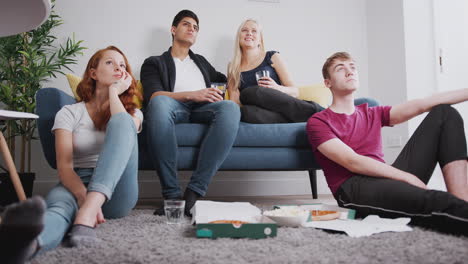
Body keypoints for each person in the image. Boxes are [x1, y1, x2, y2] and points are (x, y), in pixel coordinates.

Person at [307, 51, 468, 235]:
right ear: (328, 83)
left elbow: (424, 103)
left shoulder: (372, 113)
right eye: (340, 69)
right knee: (433, 200)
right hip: (353, 187)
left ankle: (462, 200)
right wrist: (407, 177)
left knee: (445, 113)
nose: (349, 71)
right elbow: (352, 162)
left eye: (352, 67)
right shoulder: (318, 122)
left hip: (384, 178)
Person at [31, 46, 142, 256]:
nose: (118, 68)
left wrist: (113, 92)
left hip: (118, 190)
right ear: (93, 73)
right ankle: (30, 242)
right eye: (110, 62)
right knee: (58, 209)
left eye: (122, 65)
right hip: (76, 182)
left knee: (123, 123)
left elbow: (122, 124)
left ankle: (87, 214)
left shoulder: (133, 113)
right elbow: (64, 168)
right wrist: (84, 198)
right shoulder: (69, 113)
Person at [140, 10, 240, 216]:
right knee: (158, 103)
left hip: (204, 108)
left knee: (229, 108)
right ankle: (172, 195)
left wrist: (245, 62)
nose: (191, 29)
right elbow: (154, 95)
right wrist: (193, 94)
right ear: (173, 29)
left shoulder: (201, 62)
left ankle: (194, 192)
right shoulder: (154, 62)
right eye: (186, 24)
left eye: (195, 27)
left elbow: (228, 81)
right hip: (173, 107)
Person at [227, 19, 378, 124]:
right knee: (248, 109)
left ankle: (322, 113)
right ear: (239, 37)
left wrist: (276, 88)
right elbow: (235, 101)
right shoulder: (233, 66)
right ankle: (308, 117)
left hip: (278, 100)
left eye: (254, 31)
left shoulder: (272, 57)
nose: (249, 33)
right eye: (244, 30)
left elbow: (294, 91)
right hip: (261, 111)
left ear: (260, 39)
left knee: (255, 92)